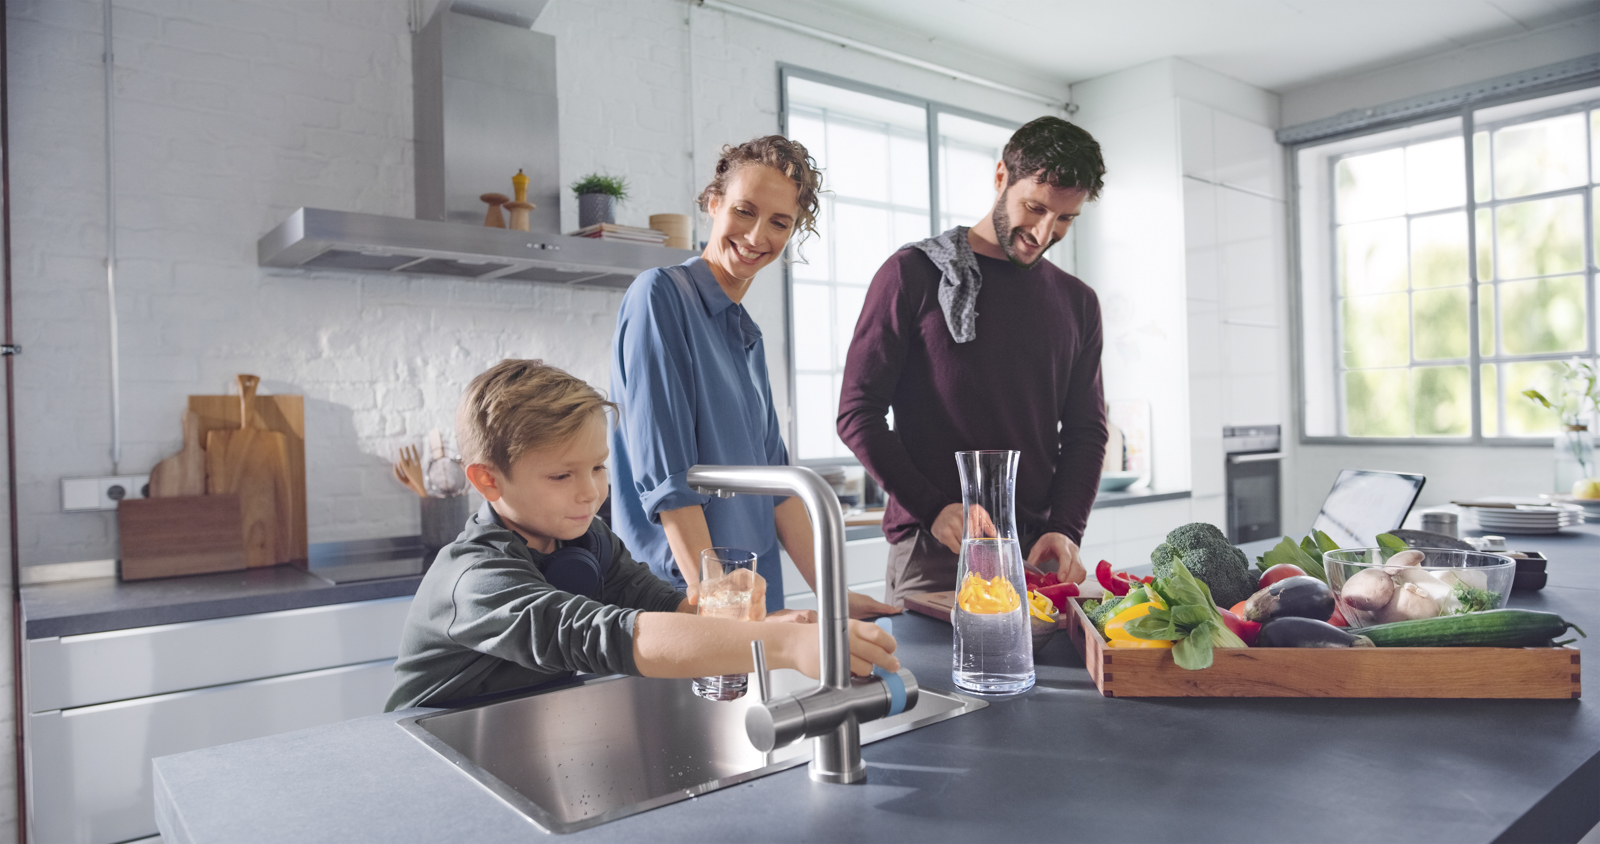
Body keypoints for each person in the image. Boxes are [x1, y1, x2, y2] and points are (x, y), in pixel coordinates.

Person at [385, 360, 899, 711]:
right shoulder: (475, 578)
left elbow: (664, 608)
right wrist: (782, 645)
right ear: (487, 480)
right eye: (562, 476)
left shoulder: (588, 541)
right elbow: (601, 634)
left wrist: (762, 624)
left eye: (598, 468)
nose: (591, 493)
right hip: (430, 759)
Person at [610, 135, 899, 619]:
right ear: (713, 203)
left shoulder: (746, 335)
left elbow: (778, 488)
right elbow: (667, 480)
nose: (756, 235)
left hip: (752, 596)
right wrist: (718, 598)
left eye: (779, 222)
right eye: (744, 211)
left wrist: (836, 595)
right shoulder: (659, 297)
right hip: (687, 599)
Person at [837, 116, 1109, 608]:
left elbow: (1087, 431)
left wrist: (1066, 529)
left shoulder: (1078, 302)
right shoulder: (913, 275)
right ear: (1001, 176)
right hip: (934, 547)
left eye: (1065, 218)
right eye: (1035, 208)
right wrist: (933, 508)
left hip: (1035, 553)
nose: (1045, 231)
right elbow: (857, 412)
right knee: (932, 687)